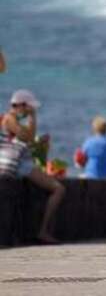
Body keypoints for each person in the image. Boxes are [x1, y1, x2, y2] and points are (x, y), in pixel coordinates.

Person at [0, 90, 64, 244]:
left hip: (21, 162)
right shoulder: (9, 119)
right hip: (18, 164)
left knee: (57, 188)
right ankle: (42, 231)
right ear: (21, 105)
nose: (31, 111)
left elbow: (28, 139)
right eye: (29, 108)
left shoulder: (14, 119)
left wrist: (39, 142)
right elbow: (26, 137)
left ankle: (42, 230)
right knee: (58, 189)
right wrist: (33, 117)